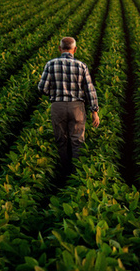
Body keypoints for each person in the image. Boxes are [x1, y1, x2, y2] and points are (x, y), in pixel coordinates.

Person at [38, 37, 100, 176]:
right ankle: (76, 174)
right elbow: (90, 90)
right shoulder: (81, 66)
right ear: (75, 49)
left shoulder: (51, 64)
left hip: (58, 105)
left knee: (61, 140)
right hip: (77, 107)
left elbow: (42, 88)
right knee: (77, 141)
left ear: (60, 48)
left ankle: (63, 173)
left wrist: (53, 92)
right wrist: (94, 110)